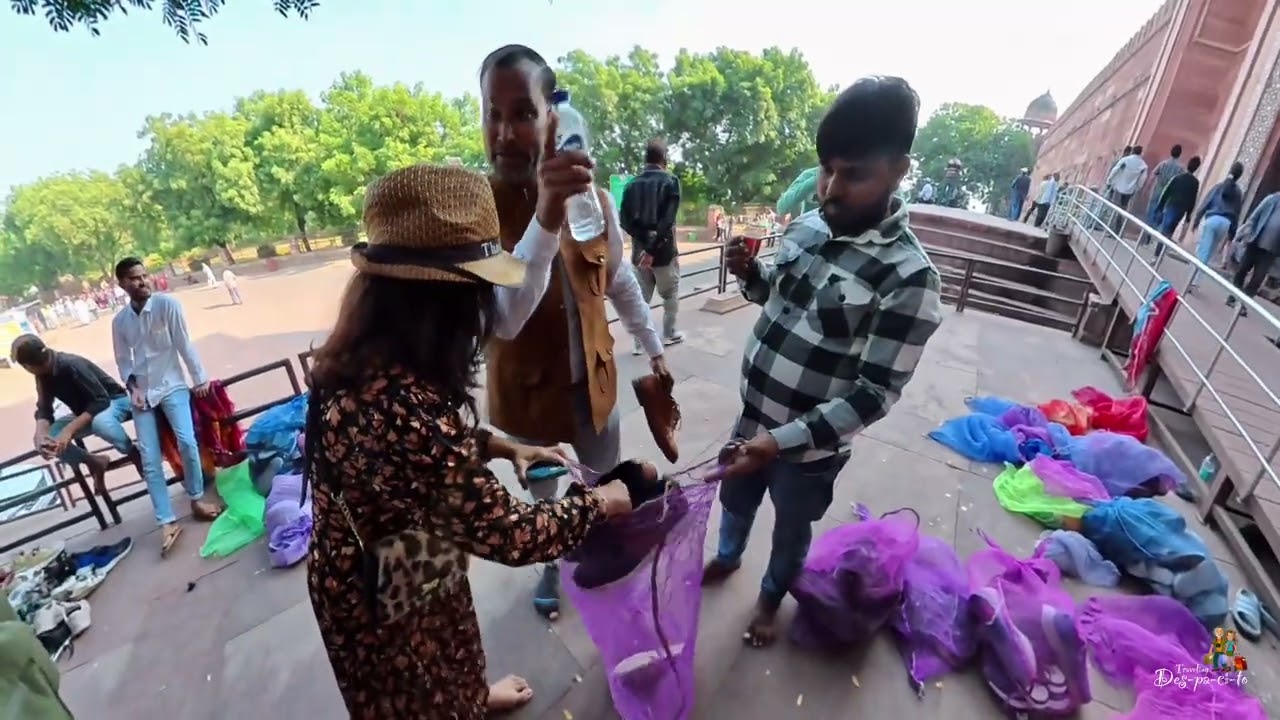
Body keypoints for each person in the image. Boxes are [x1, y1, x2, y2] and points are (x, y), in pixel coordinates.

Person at [304, 163, 633, 719]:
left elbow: (419, 450)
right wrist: (601, 503)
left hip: (408, 558)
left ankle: (470, 697)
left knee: (449, 648)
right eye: (479, 294)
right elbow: (511, 534)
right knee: (416, 694)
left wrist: (507, 448)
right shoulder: (398, 403)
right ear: (440, 305)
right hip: (378, 590)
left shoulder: (377, 362)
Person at [705, 76, 944, 647]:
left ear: (899, 171)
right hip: (751, 419)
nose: (830, 189)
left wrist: (779, 442)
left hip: (808, 452)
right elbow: (780, 302)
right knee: (735, 498)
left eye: (853, 174)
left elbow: (872, 395)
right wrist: (750, 276)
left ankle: (768, 603)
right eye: (825, 169)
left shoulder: (910, 279)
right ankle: (729, 555)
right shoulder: (808, 227)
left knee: (791, 528)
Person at [477, 44, 670, 619]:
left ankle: (589, 548)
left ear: (554, 118)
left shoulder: (598, 201)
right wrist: (544, 212)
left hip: (596, 388)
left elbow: (617, 282)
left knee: (597, 482)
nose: (505, 133)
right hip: (527, 399)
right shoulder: (475, 208)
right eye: (493, 112)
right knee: (543, 493)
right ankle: (548, 563)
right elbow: (499, 307)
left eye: (522, 113)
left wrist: (654, 348)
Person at [112, 257, 221, 556]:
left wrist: (200, 378)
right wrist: (132, 386)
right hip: (142, 393)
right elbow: (123, 360)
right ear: (122, 284)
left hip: (172, 384)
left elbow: (184, 343)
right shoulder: (120, 322)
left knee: (187, 441)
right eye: (134, 278)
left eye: (144, 276)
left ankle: (197, 497)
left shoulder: (167, 306)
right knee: (149, 458)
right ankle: (166, 521)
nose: (142, 281)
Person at [11, 335, 140, 493]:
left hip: (113, 401)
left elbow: (100, 400)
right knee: (50, 440)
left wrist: (69, 430)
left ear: (29, 366)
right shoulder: (42, 376)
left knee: (101, 424)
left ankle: (134, 453)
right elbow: (44, 407)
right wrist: (40, 434)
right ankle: (93, 461)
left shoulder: (70, 364)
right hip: (85, 411)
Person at [621, 137, 684, 354]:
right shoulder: (671, 182)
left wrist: (644, 243)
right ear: (664, 159)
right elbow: (667, 222)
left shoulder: (631, 186)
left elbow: (625, 222)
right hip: (665, 253)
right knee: (669, 294)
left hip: (639, 254)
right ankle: (669, 334)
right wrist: (653, 248)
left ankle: (640, 344)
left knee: (641, 299)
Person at [1189, 161, 1245, 291]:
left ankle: (1192, 279)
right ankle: (1196, 280)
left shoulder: (1219, 187)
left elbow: (1206, 203)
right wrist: (1232, 233)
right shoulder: (1238, 193)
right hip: (1226, 224)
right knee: (1209, 252)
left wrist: (1196, 220)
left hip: (1212, 219)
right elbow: (1237, 213)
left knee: (1203, 249)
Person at [1226, 186, 1280, 316]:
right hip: (1254, 243)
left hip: (1270, 252)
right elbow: (1254, 217)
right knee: (1241, 270)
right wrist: (1249, 234)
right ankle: (1233, 297)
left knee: (1258, 279)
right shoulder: (1271, 200)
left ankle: (1242, 304)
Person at [1151, 155, 1201, 259]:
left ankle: (1157, 254)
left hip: (1171, 205)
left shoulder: (1178, 178)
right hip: (1181, 210)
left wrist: (1160, 206)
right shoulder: (1195, 183)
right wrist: (1188, 215)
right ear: (1197, 168)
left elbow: (1167, 192)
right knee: (1171, 229)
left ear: (1188, 165)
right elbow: (1192, 199)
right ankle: (1160, 252)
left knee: (1165, 229)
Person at [1105, 146, 1148, 233]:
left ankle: (1112, 229)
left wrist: (1109, 180)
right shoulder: (1143, 165)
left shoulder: (1125, 160)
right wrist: (1137, 187)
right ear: (1140, 153)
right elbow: (1142, 179)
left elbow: (1115, 170)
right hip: (1130, 190)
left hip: (1119, 186)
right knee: (1123, 209)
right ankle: (1118, 230)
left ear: (1132, 151)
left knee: (1116, 208)